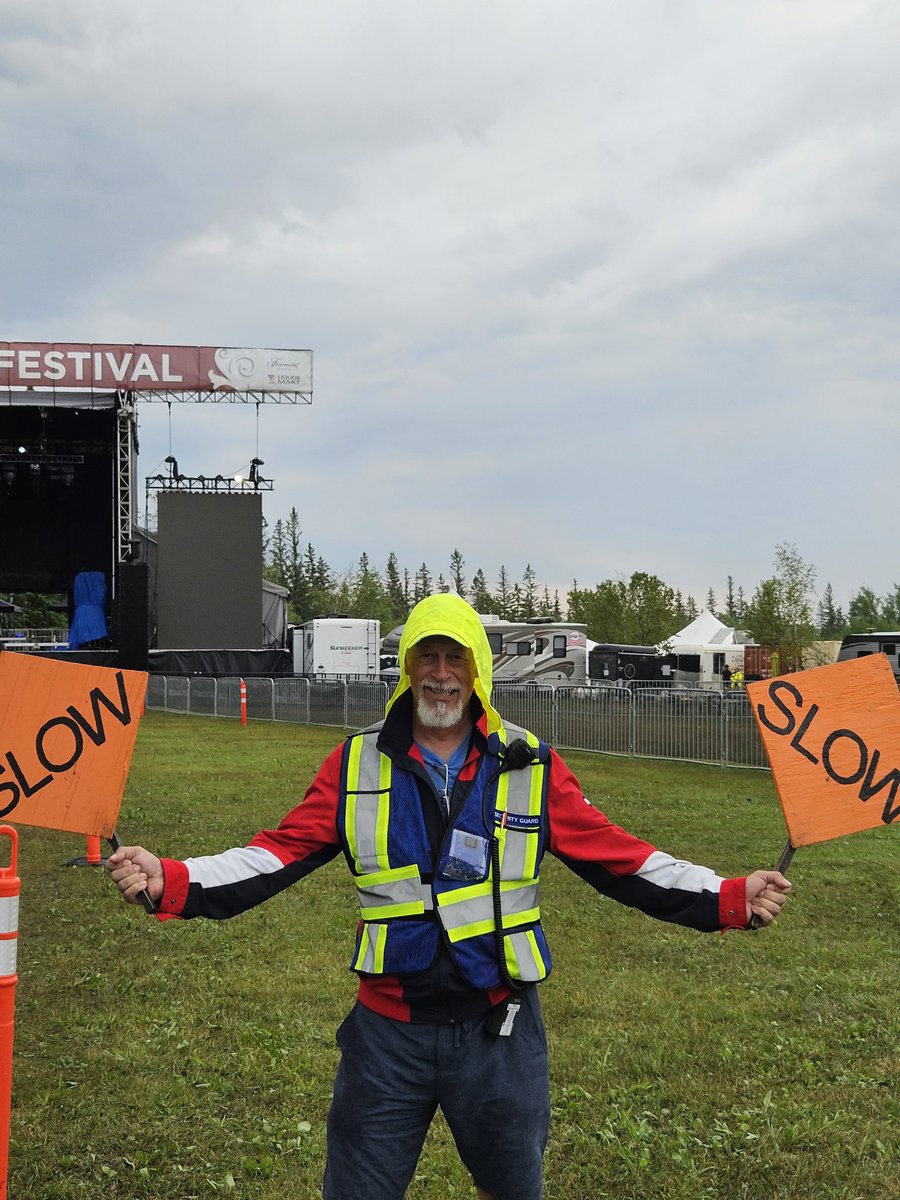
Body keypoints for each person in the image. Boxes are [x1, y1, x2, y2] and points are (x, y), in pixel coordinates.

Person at [107, 592, 791, 1200]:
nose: (440, 673)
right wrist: (173, 876)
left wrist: (729, 895)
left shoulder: (529, 764)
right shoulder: (354, 763)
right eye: (426, 657)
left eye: (455, 659)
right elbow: (274, 854)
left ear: (478, 672)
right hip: (386, 1037)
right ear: (407, 669)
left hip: (499, 1034)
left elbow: (623, 858)